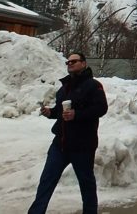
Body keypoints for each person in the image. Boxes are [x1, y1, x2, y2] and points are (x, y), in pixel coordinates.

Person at [29, 52, 108, 214]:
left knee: (86, 184)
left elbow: (101, 108)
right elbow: (60, 111)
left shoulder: (93, 85)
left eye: (74, 61)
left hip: (83, 146)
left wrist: (76, 114)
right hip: (60, 144)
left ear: (84, 63)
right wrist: (49, 112)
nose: (70, 64)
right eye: (68, 62)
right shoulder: (65, 87)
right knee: (46, 182)